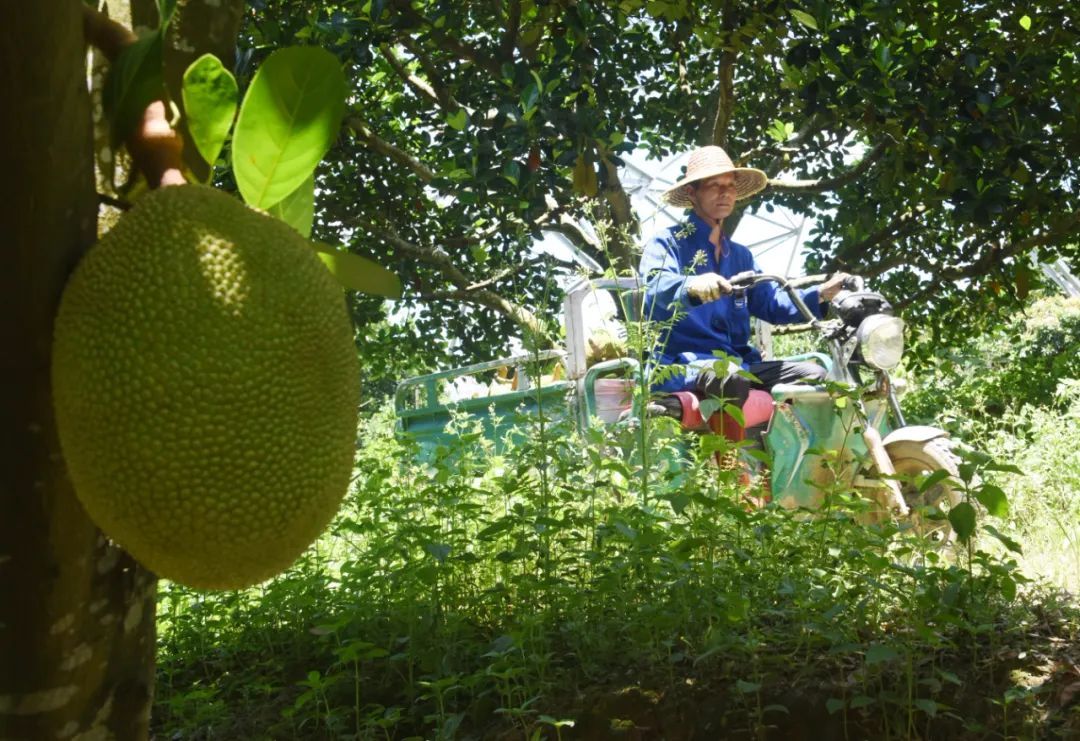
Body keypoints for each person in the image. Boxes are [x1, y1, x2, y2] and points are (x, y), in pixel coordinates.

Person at [640, 145, 848, 422]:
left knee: (817, 376)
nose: (724, 193)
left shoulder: (740, 256)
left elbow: (772, 304)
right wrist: (691, 286)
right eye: (714, 185)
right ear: (692, 193)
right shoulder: (668, 242)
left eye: (730, 185)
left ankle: (791, 459)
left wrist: (821, 294)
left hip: (739, 362)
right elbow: (654, 288)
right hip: (683, 363)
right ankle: (729, 461)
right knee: (731, 378)